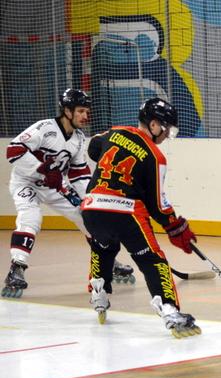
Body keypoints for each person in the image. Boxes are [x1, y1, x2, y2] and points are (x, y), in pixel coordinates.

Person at [80, 97, 201, 337]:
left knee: (103, 247)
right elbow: (157, 205)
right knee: (153, 260)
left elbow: (93, 147)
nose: (167, 136)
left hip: (91, 208)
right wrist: (176, 227)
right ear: (154, 125)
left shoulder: (114, 132)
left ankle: (99, 293)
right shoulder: (156, 157)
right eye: (167, 130)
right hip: (126, 214)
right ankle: (170, 311)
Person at [2, 88, 135, 298]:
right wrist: (43, 170)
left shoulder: (79, 139)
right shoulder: (45, 128)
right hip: (26, 183)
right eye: (80, 111)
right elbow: (13, 151)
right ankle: (16, 269)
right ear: (67, 111)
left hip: (55, 187)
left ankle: (106, 261)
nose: (85, 116)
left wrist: (90, 199)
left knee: (87, 218)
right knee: (30, 218)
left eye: (87, 111)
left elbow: (79, 173)